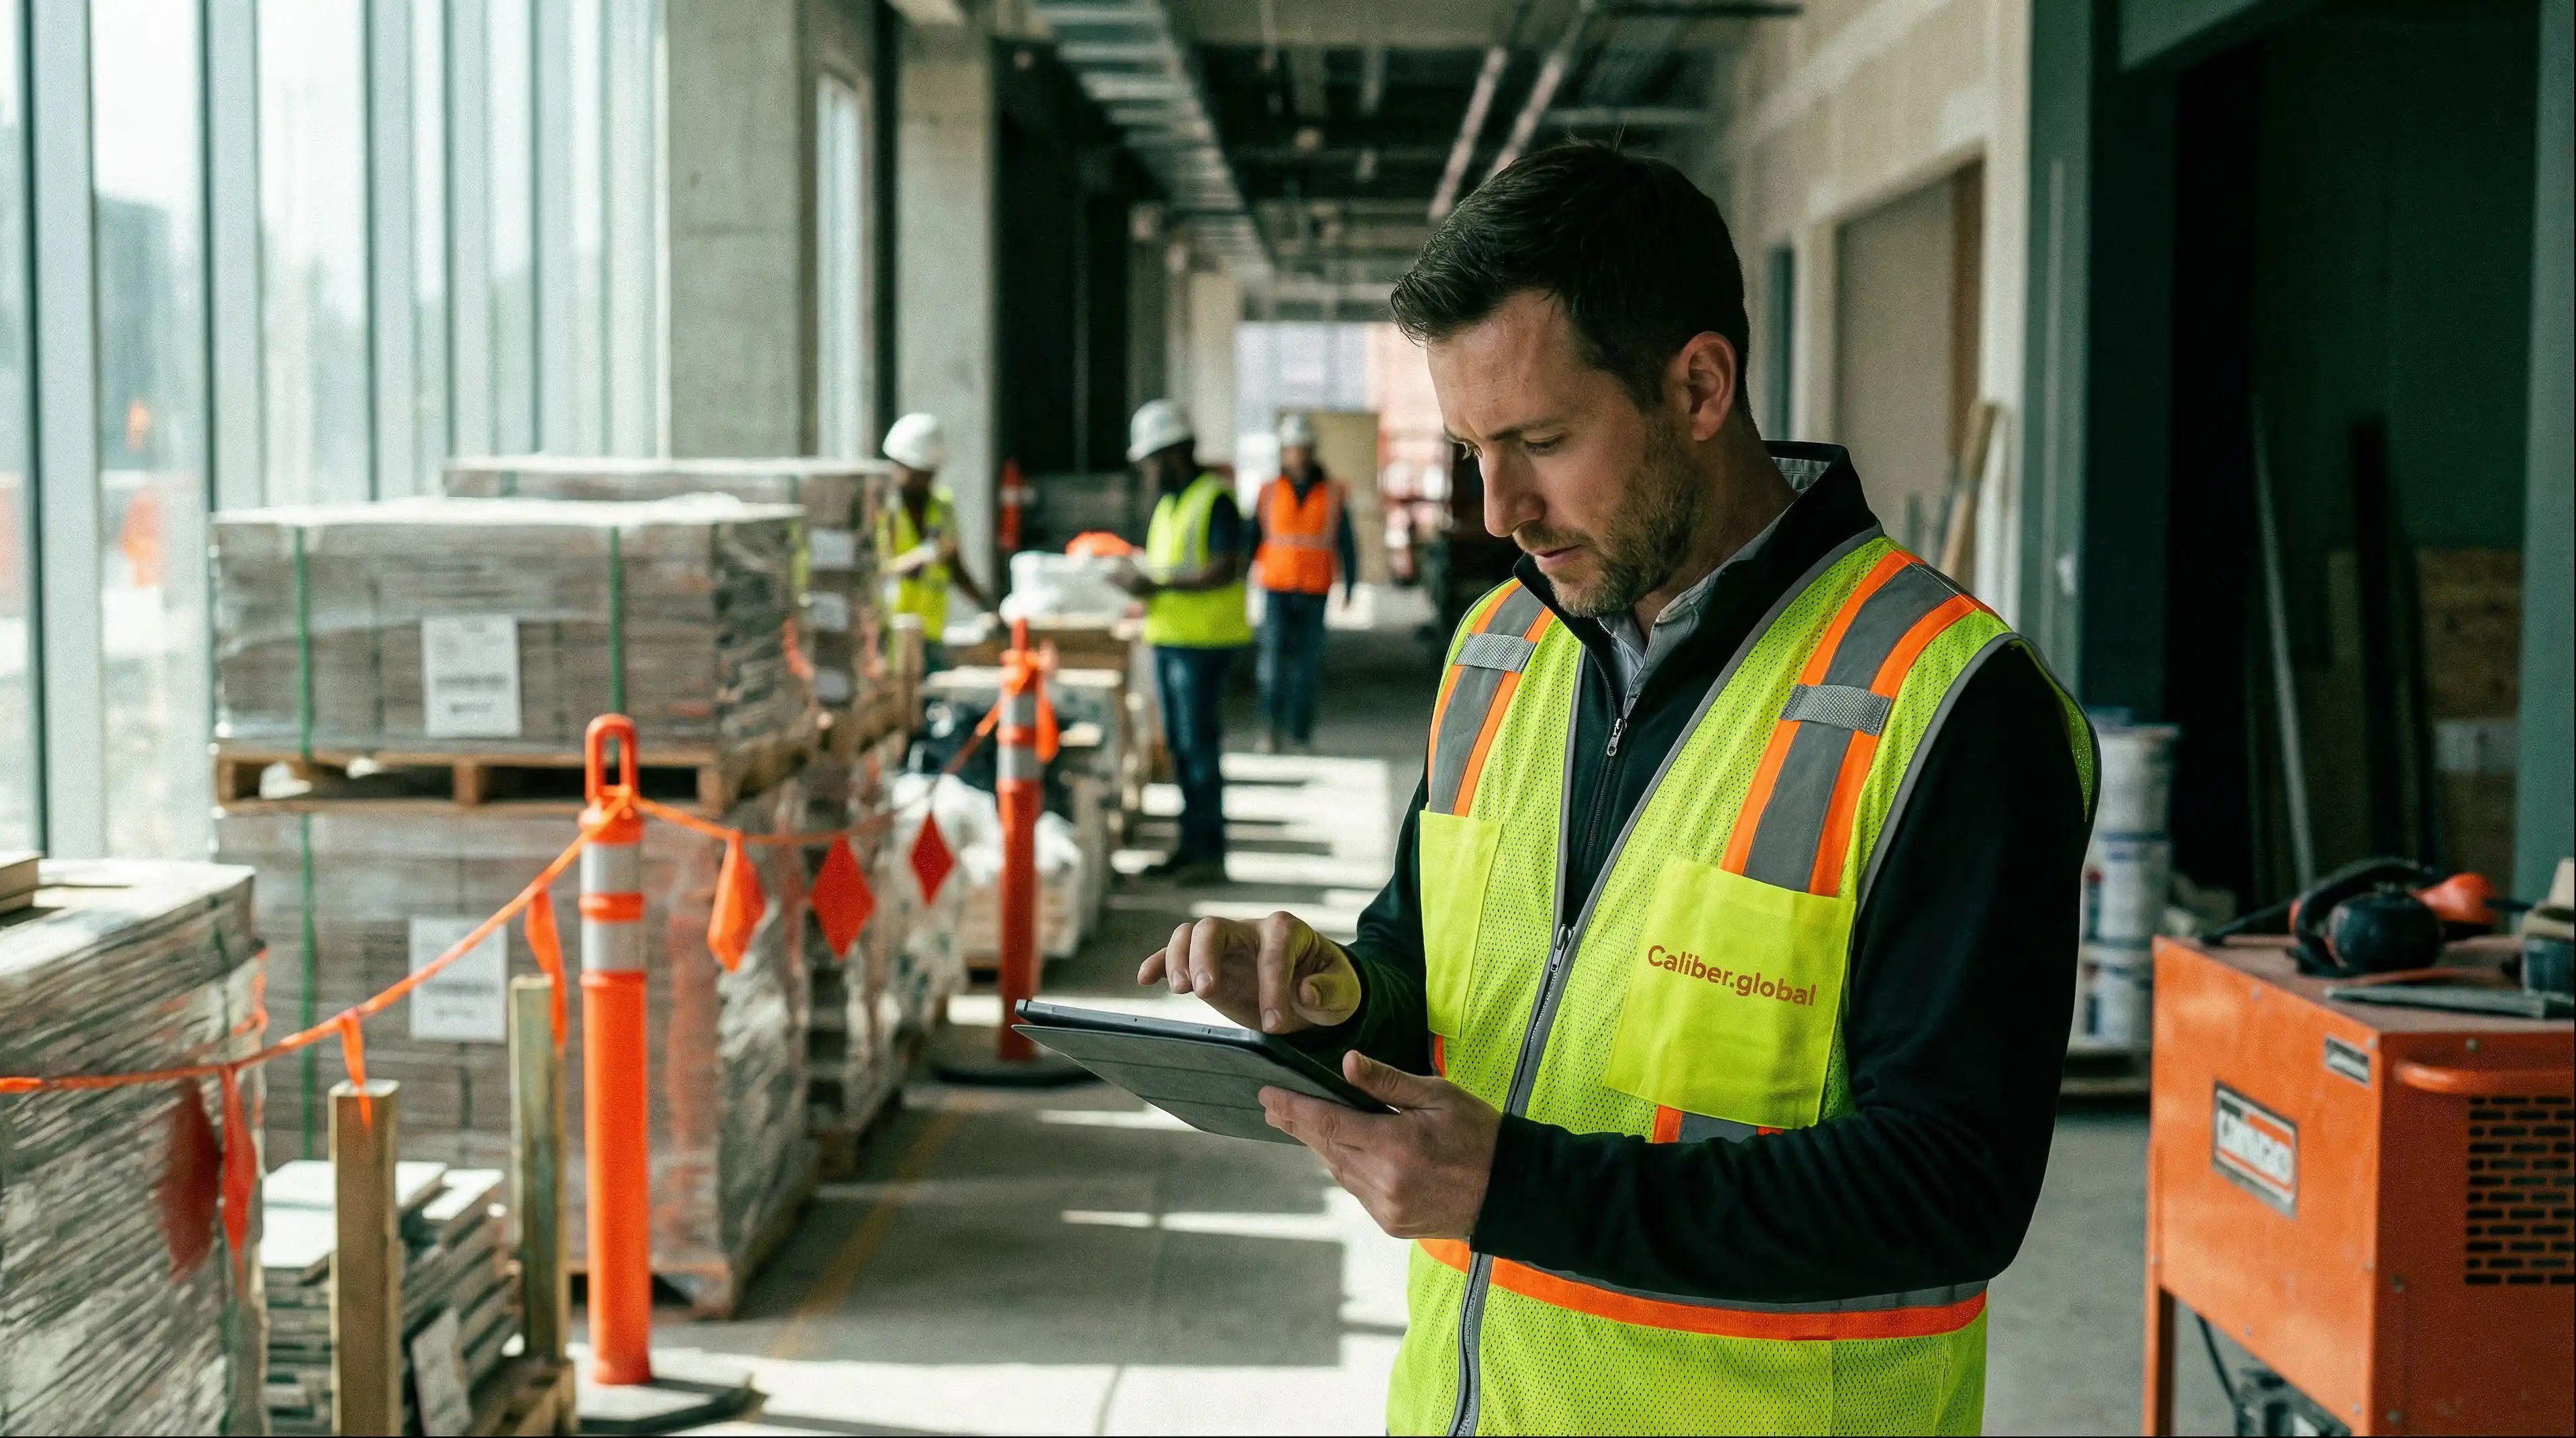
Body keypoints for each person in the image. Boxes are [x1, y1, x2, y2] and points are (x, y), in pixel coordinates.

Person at [1136, 142, 2096, 1435]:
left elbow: (1949, 1187)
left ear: (1700, 385)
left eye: (1542, 440)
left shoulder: (1953, 708)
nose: (1501, 508)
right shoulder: (1500, 648)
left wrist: (1518, 1187)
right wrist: (1332, 991)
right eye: (1474, 447)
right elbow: (1432, 965)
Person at [1118, 399, 1250, 882]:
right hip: (1172, 639)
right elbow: (1168, 566)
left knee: (1198, 747)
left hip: (1204, 644)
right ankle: (1190, 845)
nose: (1148, 473)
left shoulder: (1213, 499)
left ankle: (1210, 854)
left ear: (1173, 454)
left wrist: (1158, 586)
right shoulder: (1171, 504)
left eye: (1152, 462)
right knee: (1180, 747)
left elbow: (1222, 568)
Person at [1252, 412, 1358, 754]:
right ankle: (1271, 731)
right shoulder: (1268, 492)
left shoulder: (1332, 493)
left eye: (1302, 448)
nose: (1297, 455)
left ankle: (1300, 734)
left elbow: (1346, 541)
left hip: (1315, 588)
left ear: (1312, 451)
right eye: (1291, 449)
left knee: (1306, 668)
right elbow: (1250, 538)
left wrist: (1351, 584)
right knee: (1272, 667)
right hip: (1276, 588)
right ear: (1283, 452)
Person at [875, 411, 988, 673]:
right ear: (901, 465)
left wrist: (988, 606)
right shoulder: (882, 511)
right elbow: (873, 572)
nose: (926, 480)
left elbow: (956, 568)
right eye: (919, 473)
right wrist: (912, 562)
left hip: (932, 634)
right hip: (892, 636)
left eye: (929, 473)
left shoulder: (943, 507)